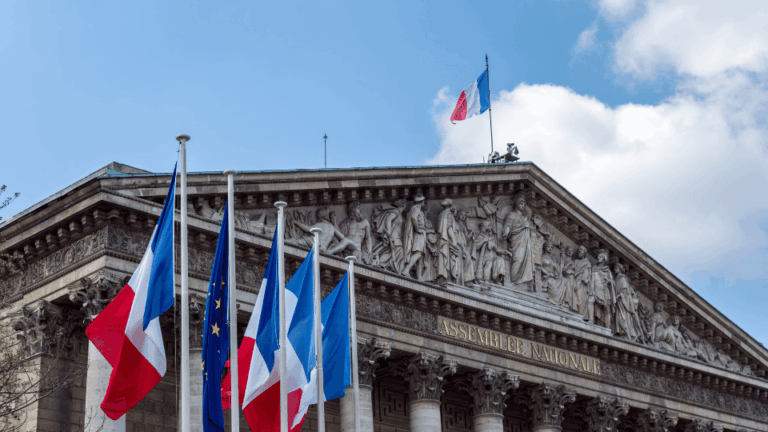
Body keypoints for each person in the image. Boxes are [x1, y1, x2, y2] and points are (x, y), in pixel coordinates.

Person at [502, 194, 537, 285]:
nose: (523, 205)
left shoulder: (525, 219)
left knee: (525, 260)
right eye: (521, 203)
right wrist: (506, 231)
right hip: (516, 240)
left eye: (524, 203)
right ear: (516, 204)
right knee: (517, 259)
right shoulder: (512, 215)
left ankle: (520, 281)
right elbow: (508, 225)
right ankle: (513, 280)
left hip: (526, 243)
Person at [370, 199, 407, 273]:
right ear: (403, 205)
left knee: (392, 253)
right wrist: (388, 233)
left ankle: (385, 264)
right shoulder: (396, 211)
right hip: (393, 237)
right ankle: (382, 263)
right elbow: (388, 219)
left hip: (397, 238)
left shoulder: (400, 214)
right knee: (398, 253)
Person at [613, 263, 647, 343]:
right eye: (614, 268)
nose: (614, 269)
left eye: (616, 267)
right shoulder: (617, 278)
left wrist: (618, 296)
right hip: (618, 302)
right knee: (620, 318)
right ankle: (623, 333)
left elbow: (624, 290)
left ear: (620, 269)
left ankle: (627, 335)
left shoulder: (622, 278)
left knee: (623, 318)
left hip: (623, 303)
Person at [588, 250, 616, 329]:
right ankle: (590, 319)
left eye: (600, 257)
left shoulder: (607, 270)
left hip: (604, 291)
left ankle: (608, 328)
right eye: (598, 257)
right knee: (590, 300)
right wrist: (592, 290)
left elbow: (613, 282)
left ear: (604, 259)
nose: (598, 258)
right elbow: (592, 280)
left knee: (607, 309)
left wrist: (609, 281)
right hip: (596, 290)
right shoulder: (594, 269)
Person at [402, 194, 428, 279]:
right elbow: (413, 217)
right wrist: (417, 229)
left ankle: (419, 276)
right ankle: (406, 270)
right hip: (419, 234)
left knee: (421, 255)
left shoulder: (418, 210)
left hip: (421, 233)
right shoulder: (416, 209)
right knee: (418, 253)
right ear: (422, 202)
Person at [436, 199, 459, 285]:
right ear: (451, 206)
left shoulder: (441, 214)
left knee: (442, 258)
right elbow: (449, 228)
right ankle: (447, 278)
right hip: (447, 241)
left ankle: (442, 277)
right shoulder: (449, 215)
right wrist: (453, 240)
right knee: (447, 259)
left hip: (441, 240)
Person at [540, 241, 568, 306]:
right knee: (551, 282)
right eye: (548, 247)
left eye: (551, 247)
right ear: (544, 248)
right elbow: (539, 267)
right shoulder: (542, 257)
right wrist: (547, 273)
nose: (550, 248)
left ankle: (561, 302)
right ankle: (554, 300)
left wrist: (562, 260)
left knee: (564, 280)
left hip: (553, 278)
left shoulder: (552, 259)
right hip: (546, 277)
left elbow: (558, 270)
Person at [571, 245, 592, 320]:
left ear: (584, 253)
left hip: (583, 283)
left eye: (581, 250)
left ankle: (582, 316)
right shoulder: (575, 261)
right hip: (576, 281)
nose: (579, 251)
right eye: (579, 250)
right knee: (577, 299)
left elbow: (590, 274)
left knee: (581, 300)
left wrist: (587, 279)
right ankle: (577, 315)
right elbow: (572, 271)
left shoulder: (587, 262)